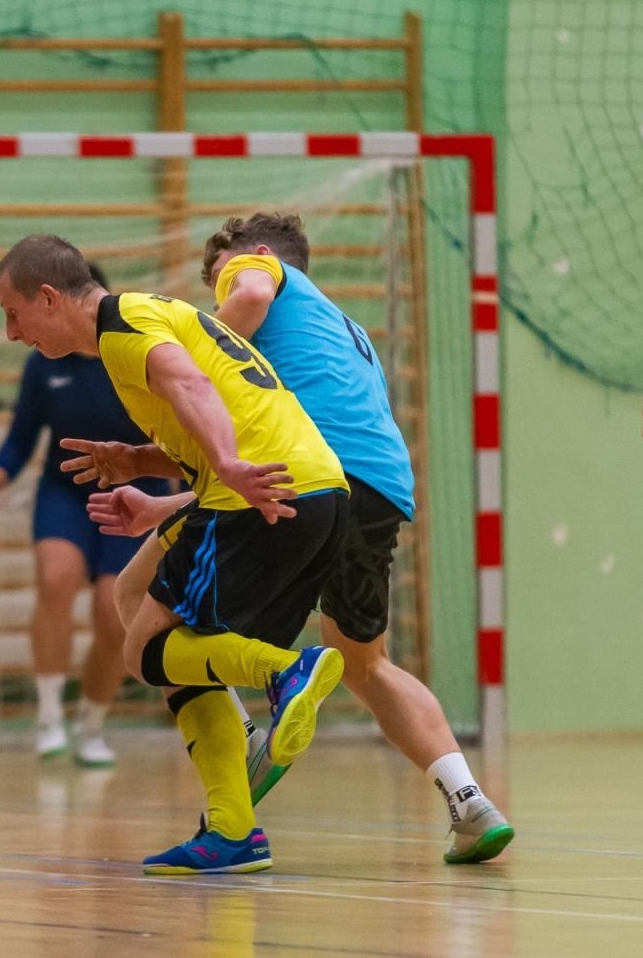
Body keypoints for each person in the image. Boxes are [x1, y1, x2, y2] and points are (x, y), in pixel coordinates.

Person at [64, 213, 514, 865]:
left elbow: (244, 325)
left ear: (259, 254)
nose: (219, 291)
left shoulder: (256, 273)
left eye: (218, 276)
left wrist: (201, 343)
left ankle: (243, 739)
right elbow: (264, 432)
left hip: (305, 477)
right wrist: (153, 479)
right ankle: (469, 800)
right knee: (365, 664)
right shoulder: (342, 329)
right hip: (373, 488)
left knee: (140, 601)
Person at [0, 233, 349, 875]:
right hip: (314, 489)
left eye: (13, 314)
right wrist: (137, 462)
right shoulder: (139, 318)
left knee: (147, 653)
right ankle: (232, 830)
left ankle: (283, 672)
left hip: (255, 491)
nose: (12, 333)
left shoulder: (125, 328)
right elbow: (206, 404)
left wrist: (228, 464)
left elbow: (191, 385)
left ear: (48, 298)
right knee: (135, 597)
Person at [0, 262, 162, 767]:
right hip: (65, 492)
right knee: (55, 579)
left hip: (136, 493)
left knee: (114, 615)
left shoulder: (136, 351)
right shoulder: (44, 363)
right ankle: (49, 716)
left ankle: (91, 724)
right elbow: (21, 438)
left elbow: (178, 431)